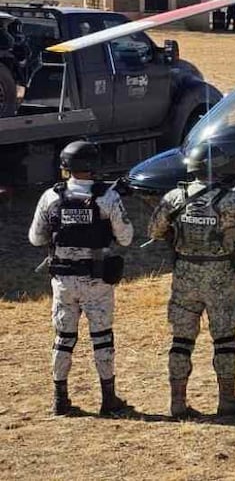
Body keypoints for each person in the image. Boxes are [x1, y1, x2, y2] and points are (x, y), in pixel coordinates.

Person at [148, 143, 235, 417]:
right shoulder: (233, 201)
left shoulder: (175, 197)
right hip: (221, 277)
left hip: (185, 276)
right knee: (225, 338)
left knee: (181, 340)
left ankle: (177, 401)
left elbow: (154, 230)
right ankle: (227, 398)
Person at [28, 140, 134, 416]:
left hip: (63, 281)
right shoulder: (107, 197)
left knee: (63, 338)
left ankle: (60, 399)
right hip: (97, 281)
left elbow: (35, 237)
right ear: (93, 165)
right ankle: (108, 399)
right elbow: (126, 237)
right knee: (102, 338)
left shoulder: (51, 196)